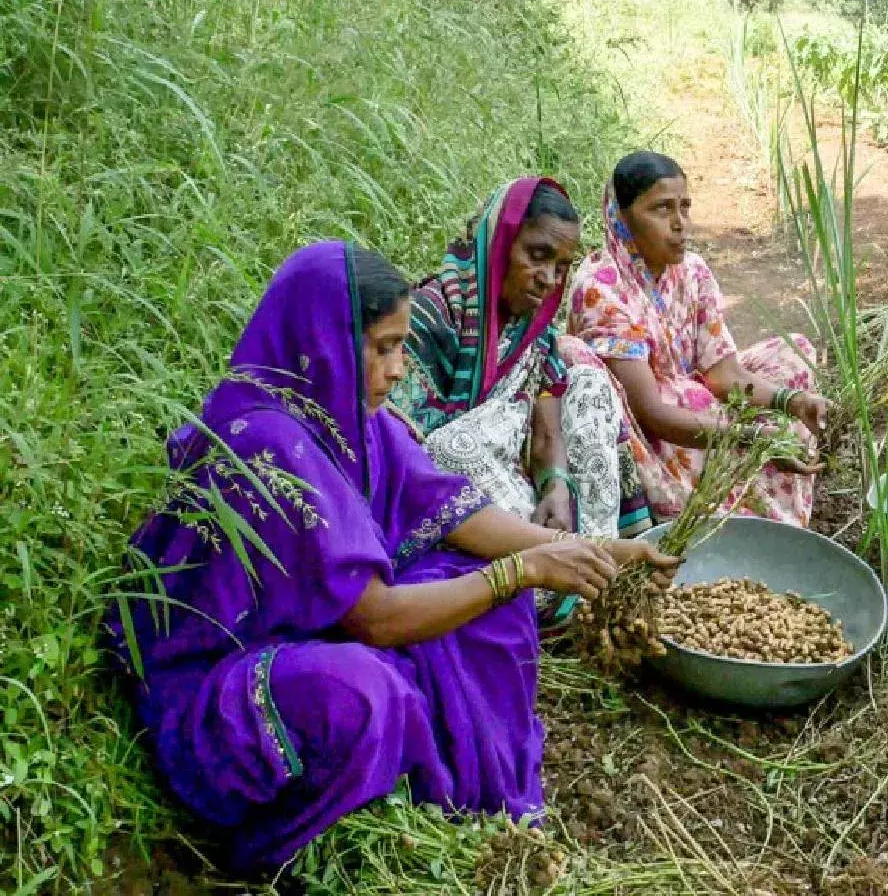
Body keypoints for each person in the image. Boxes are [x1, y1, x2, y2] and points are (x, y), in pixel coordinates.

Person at [106, 242, 677, 872]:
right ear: (320, 341)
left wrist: (593, 550)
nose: (400, 368)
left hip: (318, 627)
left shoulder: (350, 416)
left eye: (402, 346)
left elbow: (458, 514)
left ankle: (448, 793)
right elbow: (373, 620)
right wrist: (523, 570)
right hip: (225, 672)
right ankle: (278, 854)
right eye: (383, 347)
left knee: (491, 610)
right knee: (361, 693)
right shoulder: (266, 441)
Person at [567, 151, 831, 527]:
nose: (680, 224)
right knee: (688, 394)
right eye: (661, 209)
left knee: (794, 353)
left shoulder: (692, 272)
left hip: (702, 411)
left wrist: (793, 401)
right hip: (647, 431)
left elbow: (723, 374)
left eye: (684, 208)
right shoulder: (600, 287)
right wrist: (750, 438)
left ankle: (771, 520)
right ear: (621, 219)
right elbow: (650, 412)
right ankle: (702, 511)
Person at [388, 178, 652, 542]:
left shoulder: (532, 331)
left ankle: (598, 550)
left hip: (515, 475)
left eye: (561, 267)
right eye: (537, 256)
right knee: (455, 448)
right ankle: (558, 564)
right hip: (443, 499)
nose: (548, 280)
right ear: (499, 243)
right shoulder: (429, 318)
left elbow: (548, 421)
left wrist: (555, 485)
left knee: (590, 383)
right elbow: (397, 453)